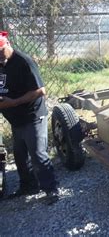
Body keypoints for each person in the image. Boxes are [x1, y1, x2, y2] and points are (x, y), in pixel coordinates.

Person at [0, 31, 59, 205]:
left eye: (0, 53)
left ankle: (51, 189)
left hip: (32, 116)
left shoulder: (23, 61)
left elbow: (41, 91)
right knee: (19, 155)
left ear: (8, 44)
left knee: (38, 154)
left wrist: (14, 102)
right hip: (15, 118)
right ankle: (28, 186)